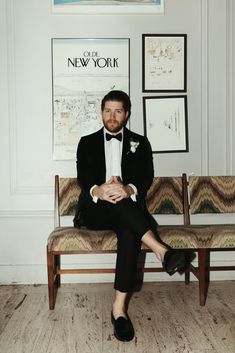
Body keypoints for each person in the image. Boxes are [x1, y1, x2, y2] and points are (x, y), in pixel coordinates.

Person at [75, 90, 192, 342]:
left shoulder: (141, 142)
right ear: (101, 112)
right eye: (108, 110)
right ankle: (163, 252)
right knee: (121, 206)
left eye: (118, 111)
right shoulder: (86, 142)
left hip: (126, 211)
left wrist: (127, 189)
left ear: (126, 114)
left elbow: (144, 178)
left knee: (129, 229)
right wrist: (100, 190)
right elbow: (84, 179)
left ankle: (119, 311)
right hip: (95, 211)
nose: (112, 116)